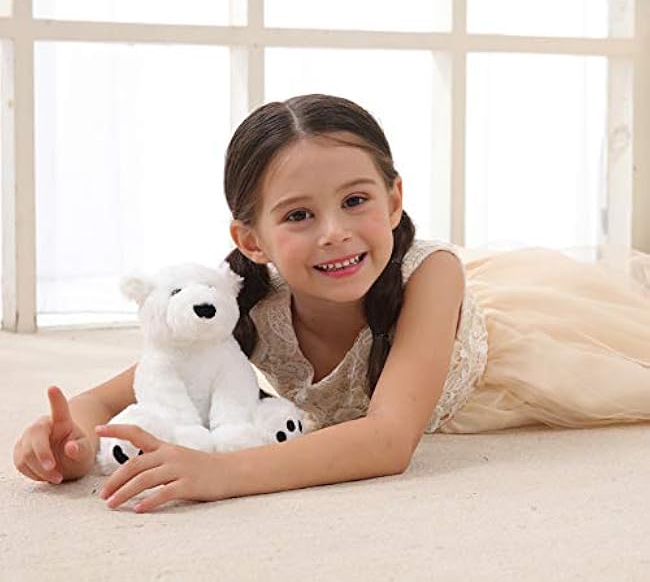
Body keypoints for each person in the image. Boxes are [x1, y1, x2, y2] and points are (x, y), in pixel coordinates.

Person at [13, 93, 650, 513]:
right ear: (251, 240)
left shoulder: (434, 275)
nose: (334, 233)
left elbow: (388, 441)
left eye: (355, 201)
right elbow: (112, 395)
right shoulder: (245, 304)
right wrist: (68, 441)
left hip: (513, 364)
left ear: (393, 201)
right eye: (299, 215)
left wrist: (221, 472)